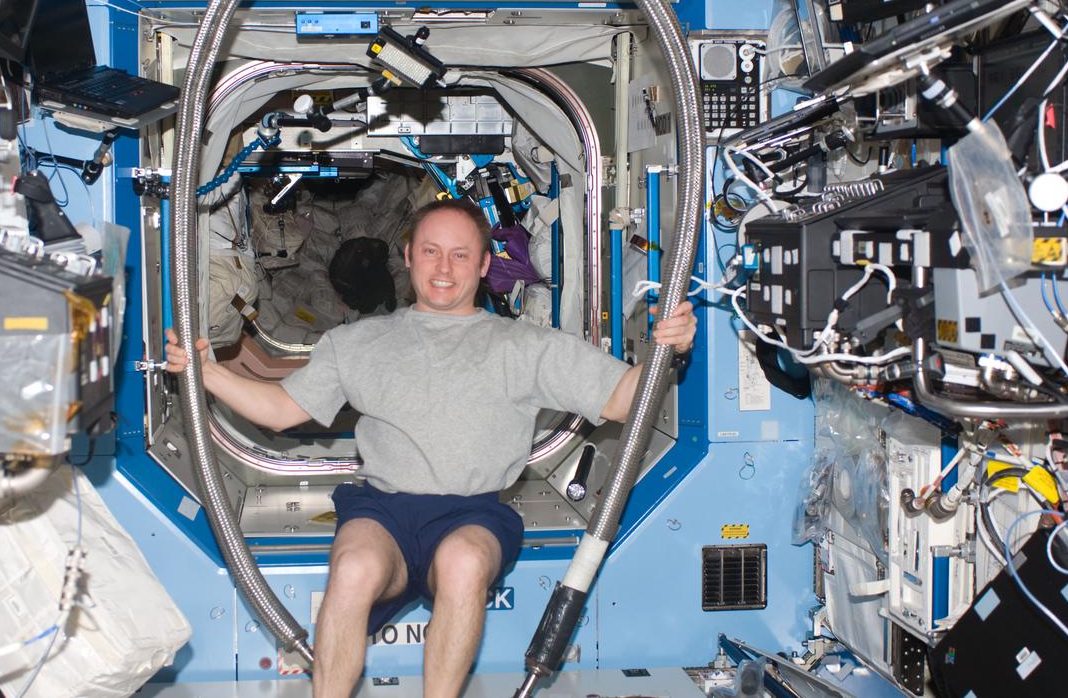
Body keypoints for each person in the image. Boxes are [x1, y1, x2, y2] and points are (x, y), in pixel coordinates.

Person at [165, 198, 697, 698]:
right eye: (431, 252)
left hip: (473, 513)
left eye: (461, 254)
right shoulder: (357, 344)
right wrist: (205, 374)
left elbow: (625, 399)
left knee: (464, 562)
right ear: (408, 257)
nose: (444, 268)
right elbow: (280, 409)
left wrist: (665, 349)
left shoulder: (525, 346)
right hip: (383, 511)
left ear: (486, 264)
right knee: (352, 568)